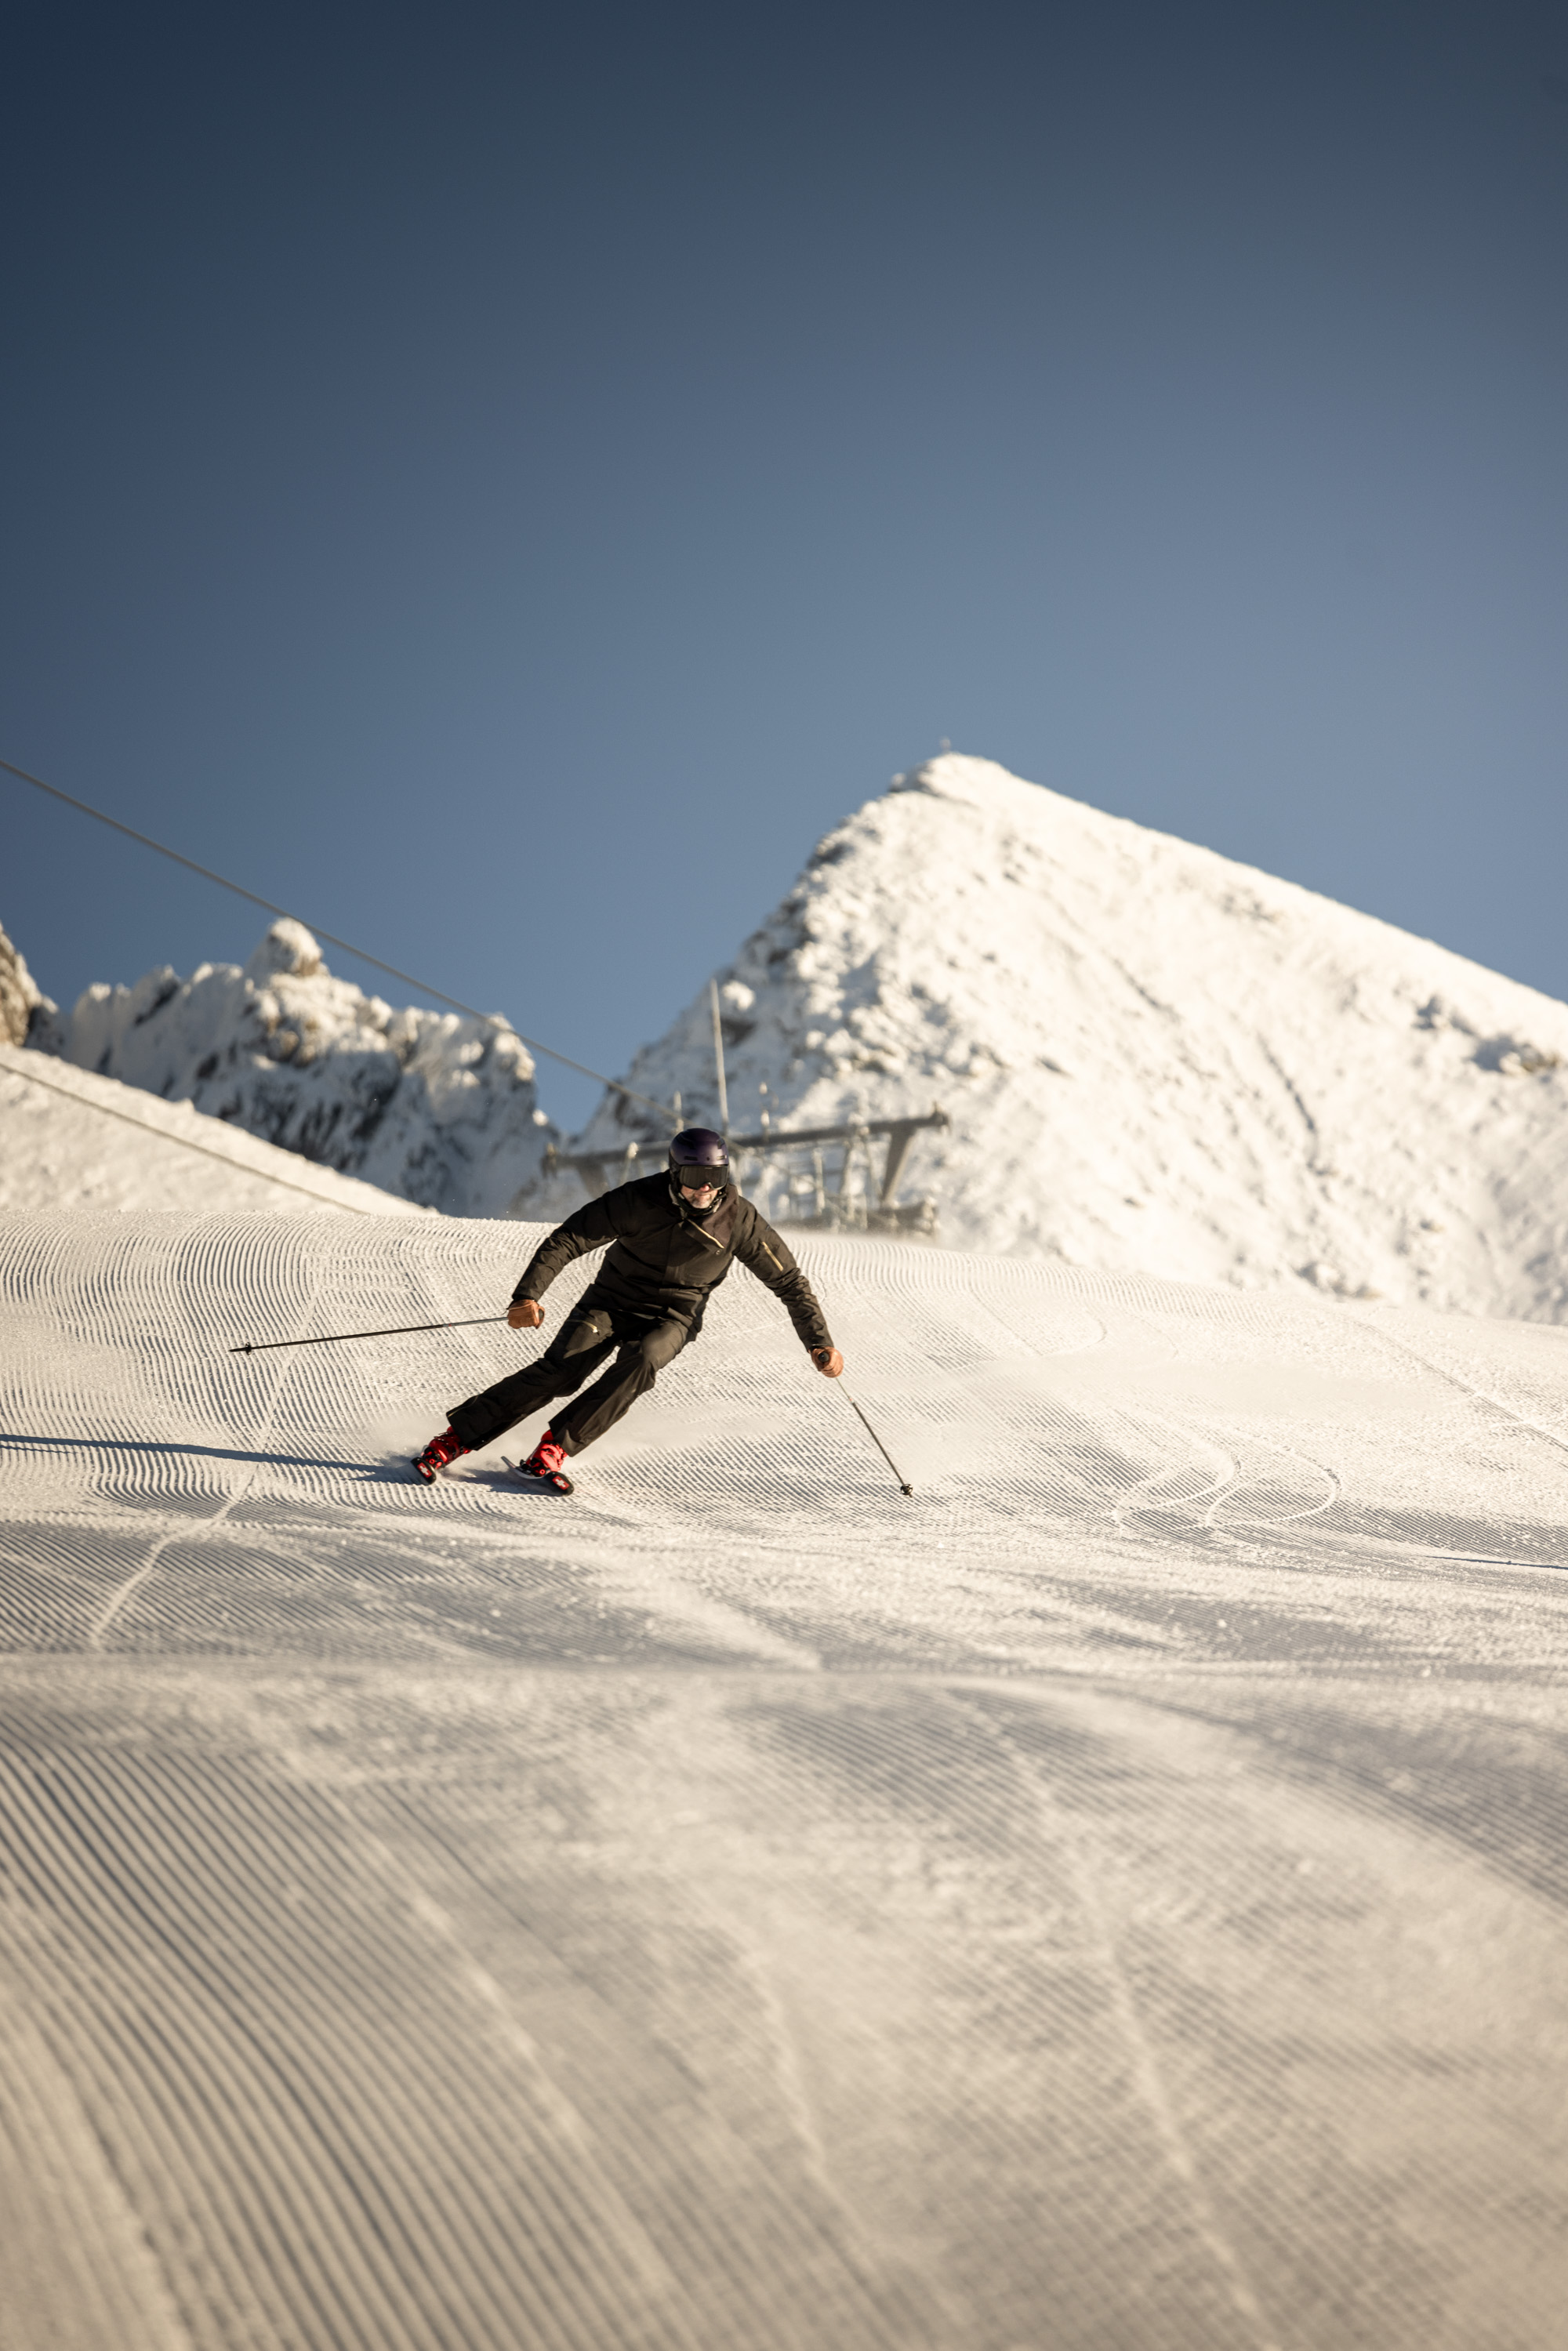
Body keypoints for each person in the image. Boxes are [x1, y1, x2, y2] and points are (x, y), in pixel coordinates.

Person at [413, 1127, 844, 1484]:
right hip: (612, 1301)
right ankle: (455, 1438)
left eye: (714, 1175)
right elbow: (570, 1238)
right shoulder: (639, 1200)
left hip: (674, 1315)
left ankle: (555, 1448)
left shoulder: (740, 1220)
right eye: (693, 1175)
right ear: (675, 1173)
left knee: (643, 1360)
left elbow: (788, 1281)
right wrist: (527, 1295)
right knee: (562, 1370)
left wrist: (819, 1342)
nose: (705, 1187)